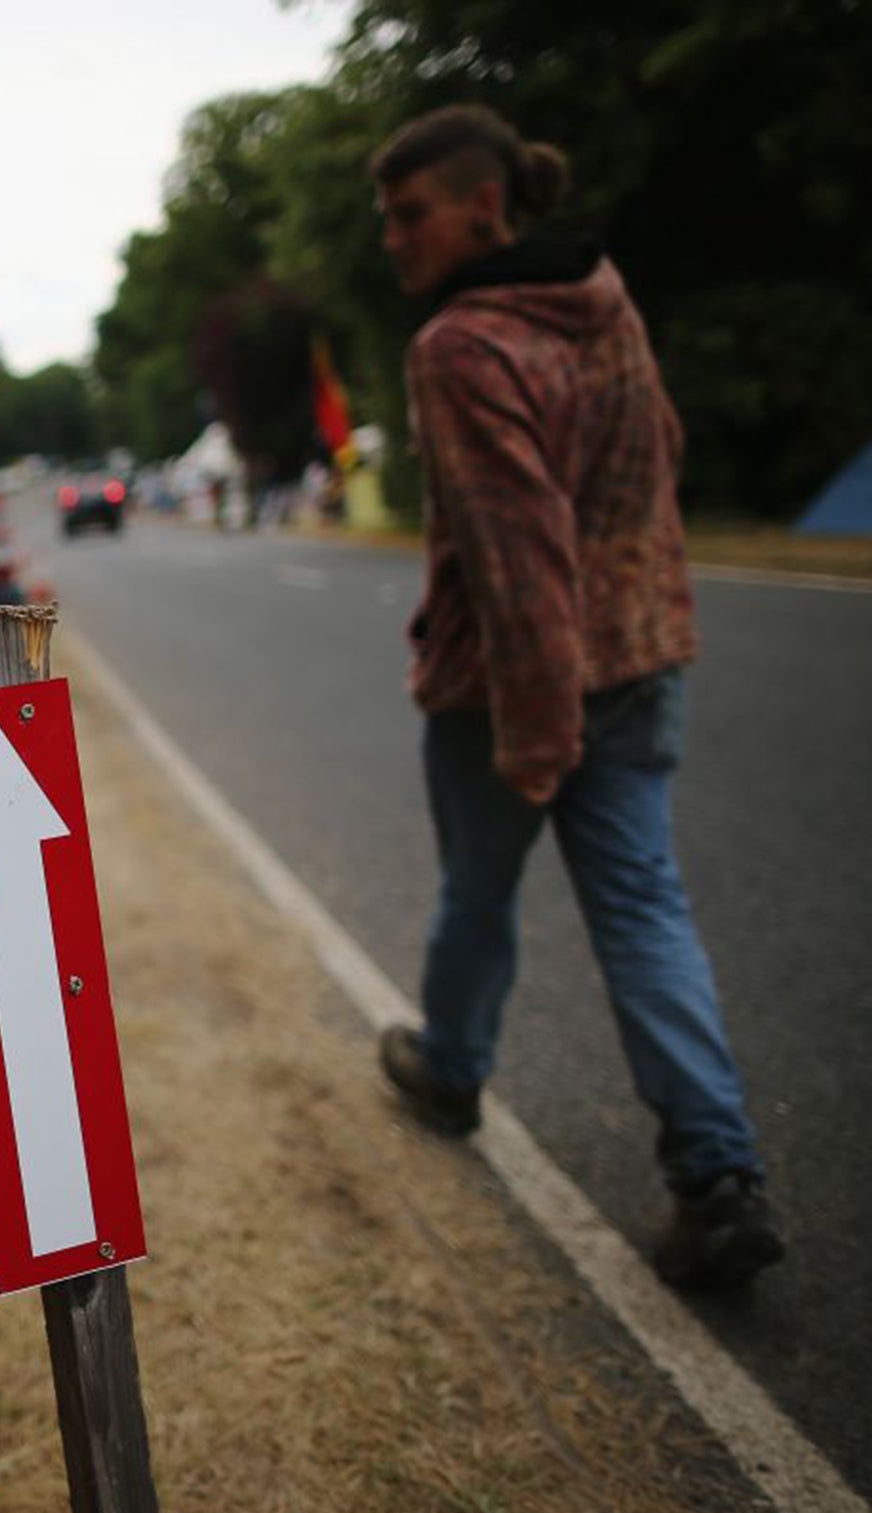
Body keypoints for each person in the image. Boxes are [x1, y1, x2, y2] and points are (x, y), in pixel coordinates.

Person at [367, 105, 783, 1290]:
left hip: (509, 691)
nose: (392, 242)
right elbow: (662, 445)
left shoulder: (459, 346)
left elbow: (513, 556)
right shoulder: (600, 293)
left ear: (481, 208)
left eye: (409, 216)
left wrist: (538, 737)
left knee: (479, 893)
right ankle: (716, 1178)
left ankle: (449, 1069)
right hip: (640, 657)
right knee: (643, 908)